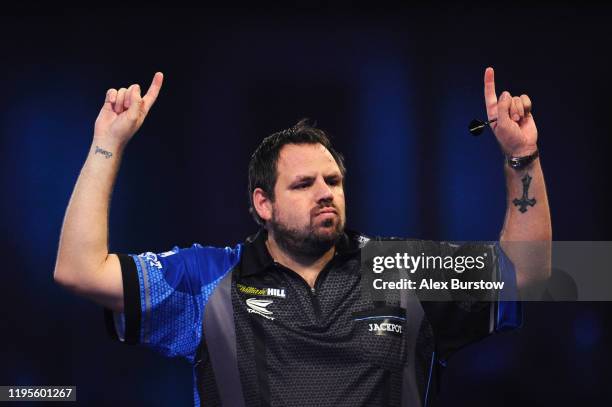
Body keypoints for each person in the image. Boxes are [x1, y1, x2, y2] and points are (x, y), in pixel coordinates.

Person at [54, 68, 552, 406]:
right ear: (262, 204)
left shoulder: (402, 270)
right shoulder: (207, 281)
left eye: (333, 181)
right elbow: (78, 270)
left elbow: (529, 273)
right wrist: (107, 144)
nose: (325, 193)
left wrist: (522, 156)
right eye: (303, 184)